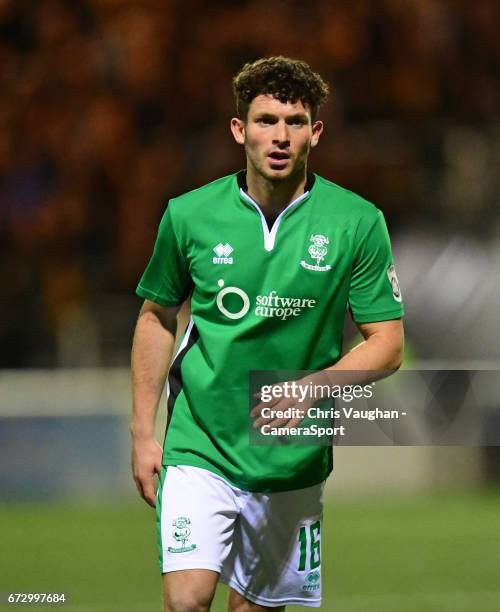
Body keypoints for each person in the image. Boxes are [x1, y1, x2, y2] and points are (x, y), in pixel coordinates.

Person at [131, 56, 404, 612]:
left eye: (295, 121)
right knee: (186, 601)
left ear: (316, 132)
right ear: (239, 130)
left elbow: (388, 342)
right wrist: (142, 431)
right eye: (265, 120)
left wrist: (310, 389)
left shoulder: (357, 222)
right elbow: (156, 317)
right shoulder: (189, 216)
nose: (280, 136)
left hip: (291, 458)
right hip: (199, 442)